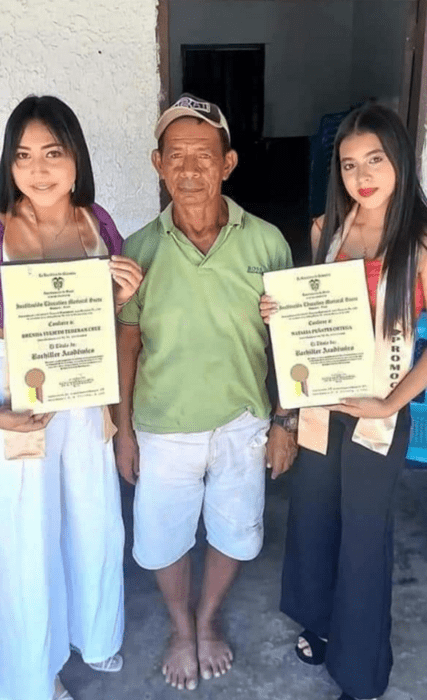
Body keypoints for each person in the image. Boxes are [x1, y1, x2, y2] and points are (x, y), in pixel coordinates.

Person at [114, 93, 297, 691]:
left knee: (236, 531)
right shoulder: (137, 250)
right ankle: (178, 625)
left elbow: (291, 342)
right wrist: (122, 430)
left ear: (229, 163)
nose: (190, 168)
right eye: (176, 156)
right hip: (163, 424)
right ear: (157, 164)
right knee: (162, 538)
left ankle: (208, 617)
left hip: (243, 421)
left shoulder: (268, 242)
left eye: (203, 155)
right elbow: (128, 346)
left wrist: (284, 422)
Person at [260, 102, 427, 700]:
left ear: (400, 162)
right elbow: (312, 318)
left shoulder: (420, 242)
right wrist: (281, 312)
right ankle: (321, 622)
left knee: (363, 533)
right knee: (314, 514)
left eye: (375, 160)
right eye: (350, 163)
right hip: (321, 407)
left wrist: (390, 404)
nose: (363, 175)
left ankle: (360, 668)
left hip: (378, 413)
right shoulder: (323, 232)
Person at [0, 95, 142, 700]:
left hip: (85, 401)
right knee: (27, 543)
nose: (38, 169)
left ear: (76, 159)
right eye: (23, 155)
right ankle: (34, 675)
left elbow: (100, 323)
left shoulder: (97, 222)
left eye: (52, 152)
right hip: (18, 407)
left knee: (92, 525)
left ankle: (89, 634)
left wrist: (118, 299)